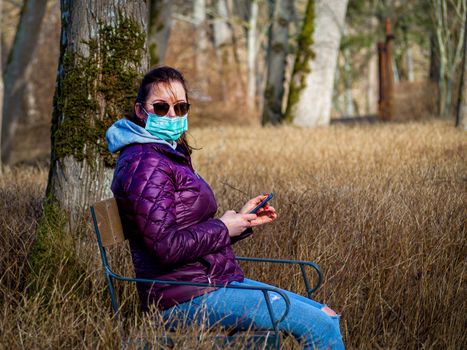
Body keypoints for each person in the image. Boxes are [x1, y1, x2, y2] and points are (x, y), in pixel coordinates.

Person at [106, 66, 344, 349]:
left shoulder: (164, 153)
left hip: (208, 283)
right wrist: (222, 227)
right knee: (319, 325)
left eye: (180, 107)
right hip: (183, 298)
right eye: (161, 107)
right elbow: (165, 246)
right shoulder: (145, 162)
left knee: (326, 316)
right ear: (141, 111)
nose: (172, 115)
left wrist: (238, 222)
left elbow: (185, 227)